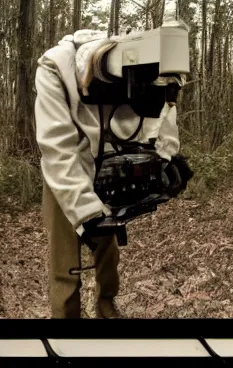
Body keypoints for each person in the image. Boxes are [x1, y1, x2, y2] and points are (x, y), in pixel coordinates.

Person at [34, 29, 181, 319]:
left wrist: (167, 160)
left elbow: (162, 114)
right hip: (66, 174)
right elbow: (58, 149)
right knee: (66, 263)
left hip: (110, 168)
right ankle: (65, 322)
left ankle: (106, 305)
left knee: (108, 249)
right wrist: (87, 211)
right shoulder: (55, 67)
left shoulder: (143, 67)